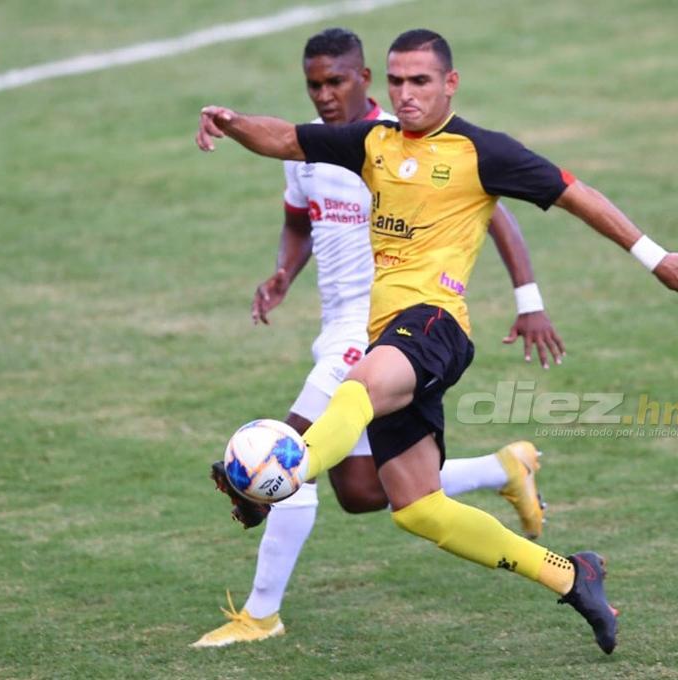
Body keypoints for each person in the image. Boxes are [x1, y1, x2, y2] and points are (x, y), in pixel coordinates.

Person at [196, 28, 678, 656]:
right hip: (386, 330)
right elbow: (283, 137)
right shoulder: (373, 142)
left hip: (433, 325)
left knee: (360, 386)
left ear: (450, 83)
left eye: (420, 81)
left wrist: (656, 257)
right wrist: (230, 123)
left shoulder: (483, 152)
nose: (406, 93)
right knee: (416, 508)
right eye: (397, 81)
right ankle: (571, 575)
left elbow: (575, 193)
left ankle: (289, 470)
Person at [193, 28, 566, 648]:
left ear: (365, 76)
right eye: (313, 85)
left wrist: (530, 299)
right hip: (334, 327)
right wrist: (284, 273)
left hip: (383, 331)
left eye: (336, 82)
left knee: (289, 461)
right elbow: (298, 222)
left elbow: (495, 212)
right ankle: (503, 468)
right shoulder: (310, 150)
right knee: (366, 491)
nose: (325, 96)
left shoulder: (406, 141)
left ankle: (261, 615)